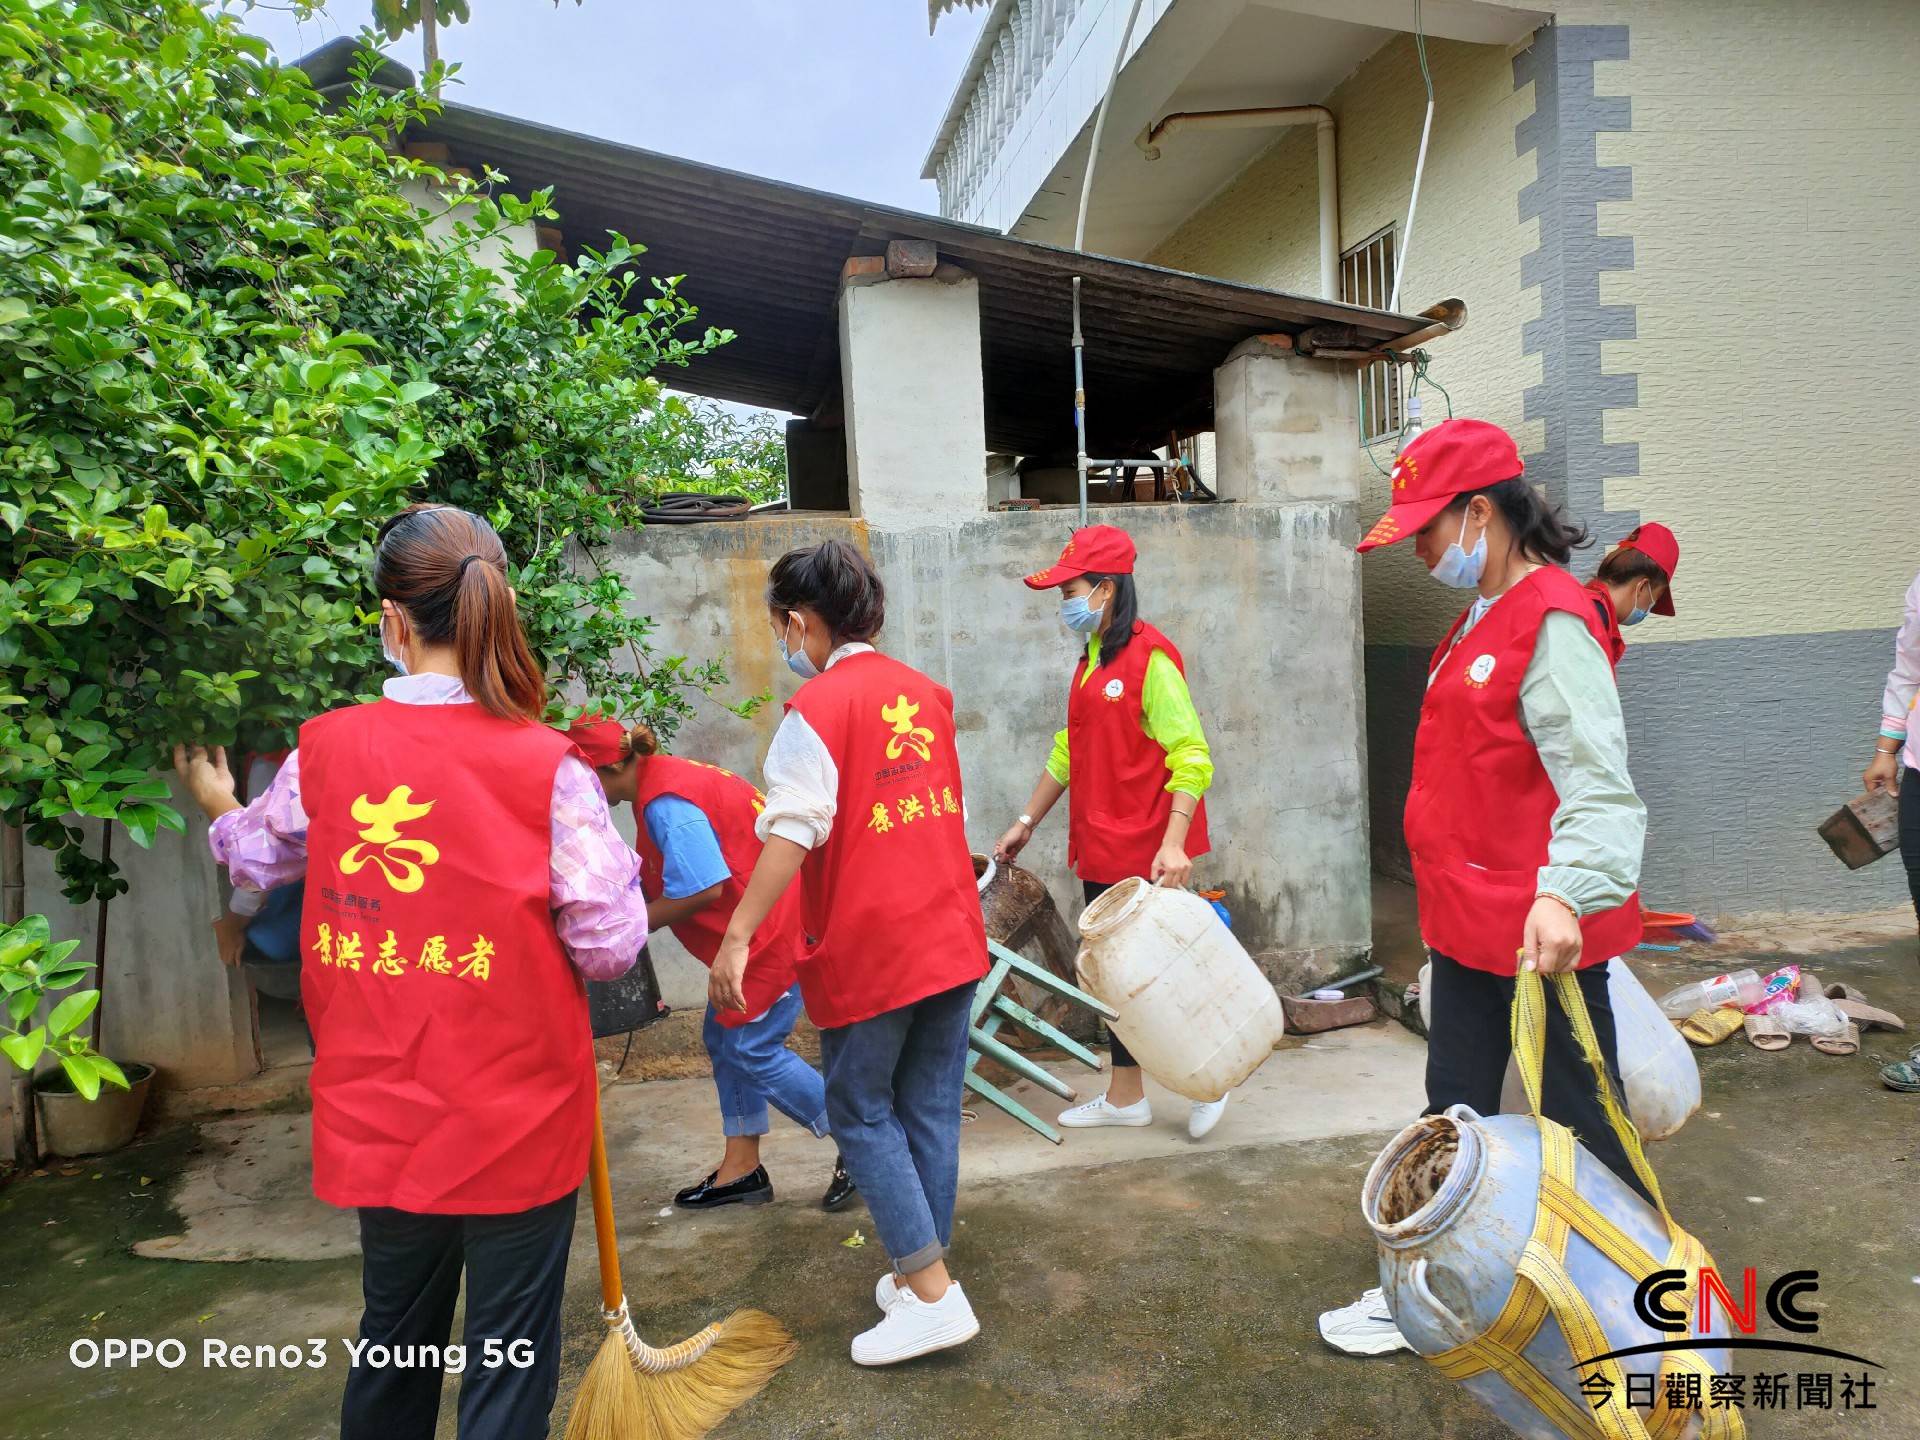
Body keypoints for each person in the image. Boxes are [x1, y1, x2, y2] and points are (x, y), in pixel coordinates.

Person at [174, 503, 649, 1440]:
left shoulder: (326, 751)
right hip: (519, 1117)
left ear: (392, 621)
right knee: (508, 1363)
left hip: (387, 1108)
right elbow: (608, 945)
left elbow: (255, 856)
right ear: (495, 605)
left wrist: (223, 803)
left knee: (394, 1339)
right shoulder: (549, 768)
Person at [1319, 419, 1650, 1357]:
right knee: (1453, 1105)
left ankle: (1634, 1299)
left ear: (1481, 513)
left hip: (1538, 928)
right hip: (1468, 925)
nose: (1421, 552)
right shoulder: (1478, 616)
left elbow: (1597, 782)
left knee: (1579, 1116)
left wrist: (1568, 893)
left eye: (1428, 530)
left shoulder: (1553, 617)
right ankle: (1431, 1282)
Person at [708, 539, 989, 1367]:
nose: (784, 644)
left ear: (800, 621)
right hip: (949, 933)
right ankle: (921, 1276)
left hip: (877, 946)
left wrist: (735, 936)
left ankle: (932, 1295)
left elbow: (794, 828)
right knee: (930, 1109)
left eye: (780, 628)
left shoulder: (818, 714)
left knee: (862, 1110)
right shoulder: (924, 695)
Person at [564, 714, 856, 1212]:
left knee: (750, 1048)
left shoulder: (667, 804)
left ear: (606, 771)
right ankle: (742, 1169)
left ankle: (863, 1144)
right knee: (725, 1038)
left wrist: (629, 925)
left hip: (770, 934)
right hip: (774, 921)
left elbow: (705, 887)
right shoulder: (666, 779)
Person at [992, 523, 1227, 1140]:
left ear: (1107, 589)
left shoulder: (1153, 659)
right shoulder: (1093, 658)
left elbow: (1192, 755)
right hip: (1100, 848)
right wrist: (1025, 823)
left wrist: (1174, 841)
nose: (1064, 603)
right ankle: (1126, 1098)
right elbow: (1070, 751)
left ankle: (1215, 1078)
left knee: (1165, 975)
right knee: (1114, 979)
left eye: (1071, 589)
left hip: (1149, 855)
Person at [1582, 522, 1680, 669]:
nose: (1649, 608)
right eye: (1656, 598)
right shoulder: (1595, 619)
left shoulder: (1587, 603)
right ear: (1641, 588)